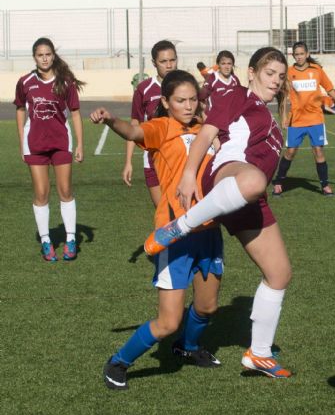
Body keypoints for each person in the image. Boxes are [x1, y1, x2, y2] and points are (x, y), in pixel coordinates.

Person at [144, 47, 293, 379]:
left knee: (280, 273)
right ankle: (180, 225)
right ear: (251, 72)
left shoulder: (267, 113)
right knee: (253, 179)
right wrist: (187, 174)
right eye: (270, 73)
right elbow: (207, 134)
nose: (276, 81)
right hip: (228, 174)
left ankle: (260, 353)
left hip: (249, 198)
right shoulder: (235, 95)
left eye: (281, 76)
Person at [90, 70, 224, 390]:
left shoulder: (207, 130)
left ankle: (187, 347)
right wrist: (111, 120)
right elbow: (133, 130)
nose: (188, 106)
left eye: (193, 99)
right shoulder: (161, 128)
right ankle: (118, 362)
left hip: (209, 231)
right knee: (167, 323)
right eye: (180, 100)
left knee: (208, 306)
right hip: (175, 234)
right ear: (166, 101)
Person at [14, 37, 84, 262]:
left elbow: (74, 113)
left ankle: (70, 239)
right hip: (35, 145)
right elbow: (19, 111)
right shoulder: (25, 82)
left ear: (53, 55)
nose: (44, 58)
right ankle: (46, 241)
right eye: (39, 55)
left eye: (47, 54)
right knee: (41, 193)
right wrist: (20, 141)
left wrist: (80, 144)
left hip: (61, 144)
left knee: (65, 191)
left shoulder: (65, 82)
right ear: (34, 57)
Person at [272, 42, 335, 197]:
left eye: (302, 54)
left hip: (315, 119)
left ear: (307, 54)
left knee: (318, 151)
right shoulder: (289, 72)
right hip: (297, 120)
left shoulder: (317, 70)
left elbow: (329, 89)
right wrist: (283, 116)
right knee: (290, 152)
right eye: (296, 54)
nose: (299, 56)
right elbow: (282, 95)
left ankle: (325, 185)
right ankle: (279, 183)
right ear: (293, 56)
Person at [122, 40, 178, 207]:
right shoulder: (144, 89)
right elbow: (135, 125)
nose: (169, 65)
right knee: (163, 214)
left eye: (172, 60)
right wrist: (128, 162)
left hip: (180, 157)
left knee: (184, 213)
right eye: (163, 61)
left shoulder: (185, 85)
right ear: (154, 63)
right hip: (153, 159)